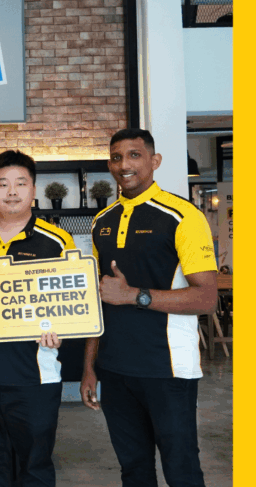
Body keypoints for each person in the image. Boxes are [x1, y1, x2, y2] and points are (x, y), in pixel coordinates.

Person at [81, 128, 217, 487]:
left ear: (154, 161)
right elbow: (99, 302)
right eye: (116, 157)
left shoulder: (183, 216)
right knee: (134, 470)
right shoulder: (101, 223)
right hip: (115, 370)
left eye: (134, 155)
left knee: (182, 469)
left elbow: (206, 297)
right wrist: (89, 368)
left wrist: (135, 295)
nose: (123, 164)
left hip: (168, 369)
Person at [0, 150, 73, 487]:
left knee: (34, 467)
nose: (12, 191)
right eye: (2, 184)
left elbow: (70, 301)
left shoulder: (56, 241)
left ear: (34, 189)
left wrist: (60, 331)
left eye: (21, 183)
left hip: (34, 375)